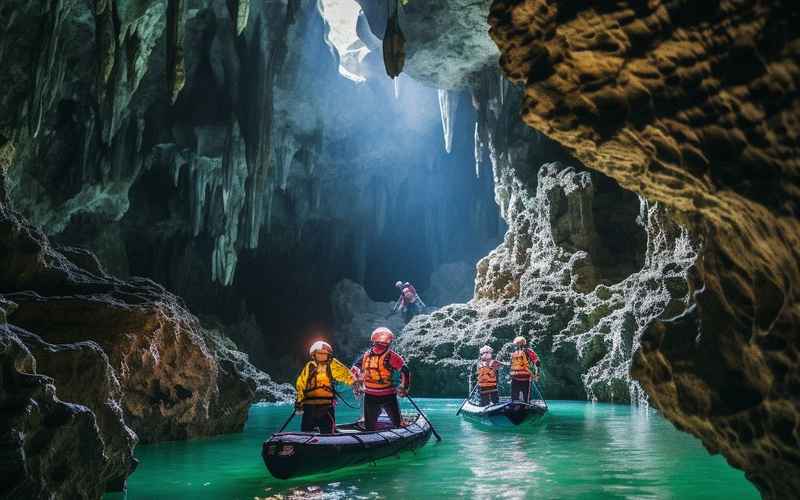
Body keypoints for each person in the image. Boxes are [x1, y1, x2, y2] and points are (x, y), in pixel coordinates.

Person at [351, 327, 411, 430]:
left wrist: (357, 386)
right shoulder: (391, 356)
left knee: (370, 427)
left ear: (374, 341)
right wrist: (404, 387)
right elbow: (405, 371)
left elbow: (354, 370)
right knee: (397, 424)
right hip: (386, 395)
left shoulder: (366, 355)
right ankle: (399, 425)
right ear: (389, 342)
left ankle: (372, 432)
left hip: (371, 395)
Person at [294, 340, 354, 434]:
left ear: (328, 355)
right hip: (310, 407)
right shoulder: (310, 366)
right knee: (307, 432)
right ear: (314, 355)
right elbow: (301, 385)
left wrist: (355, 383)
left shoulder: (332, 365)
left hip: (325, 406)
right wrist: (298, 402)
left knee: (326, 431)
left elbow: (346, 374)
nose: (322, 356)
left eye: (324, 354)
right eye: (319, 354)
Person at [509, 336, 541, 403]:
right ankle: (520, 404)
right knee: (517, 399)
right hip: (517, 378)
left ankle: (523, 403)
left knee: (523, 398)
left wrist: (537, 374)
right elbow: (512, 365)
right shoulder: (515, 353)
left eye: (517, 343)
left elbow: (537, 362)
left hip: (524, 378)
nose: (516, 345)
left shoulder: (527, 351)